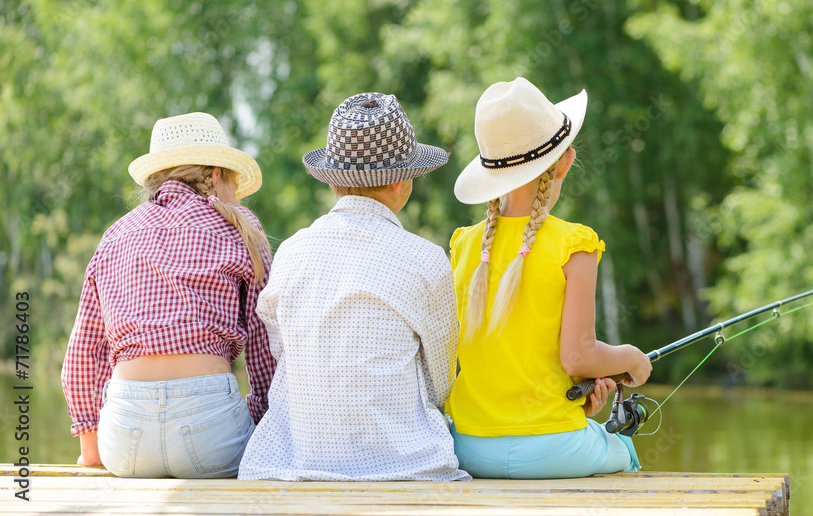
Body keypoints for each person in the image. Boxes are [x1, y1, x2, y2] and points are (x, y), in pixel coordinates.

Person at [238, 92, 469, 481]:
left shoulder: (292, 252)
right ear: (401, 181)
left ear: (332, 181)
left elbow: (284, 351)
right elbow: (440, 382)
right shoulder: (425, 260)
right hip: (406, 465)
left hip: (297, 459)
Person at [446, 77, 653, 479]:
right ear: (565, 160)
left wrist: (579, 398)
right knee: (624, 452)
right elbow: (578, 357)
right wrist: (630, 358)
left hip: (467, 446)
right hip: (554, 448)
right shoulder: (575, 245)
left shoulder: (464, 246)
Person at [61, 112, 276, 478]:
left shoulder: (117, 235)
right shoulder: (238, 224)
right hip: (210, 427)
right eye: (233, 183)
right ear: (216, 174)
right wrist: (260, 419)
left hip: (125, 438)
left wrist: (91, 447)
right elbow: (264, 344)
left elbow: (83, 352)